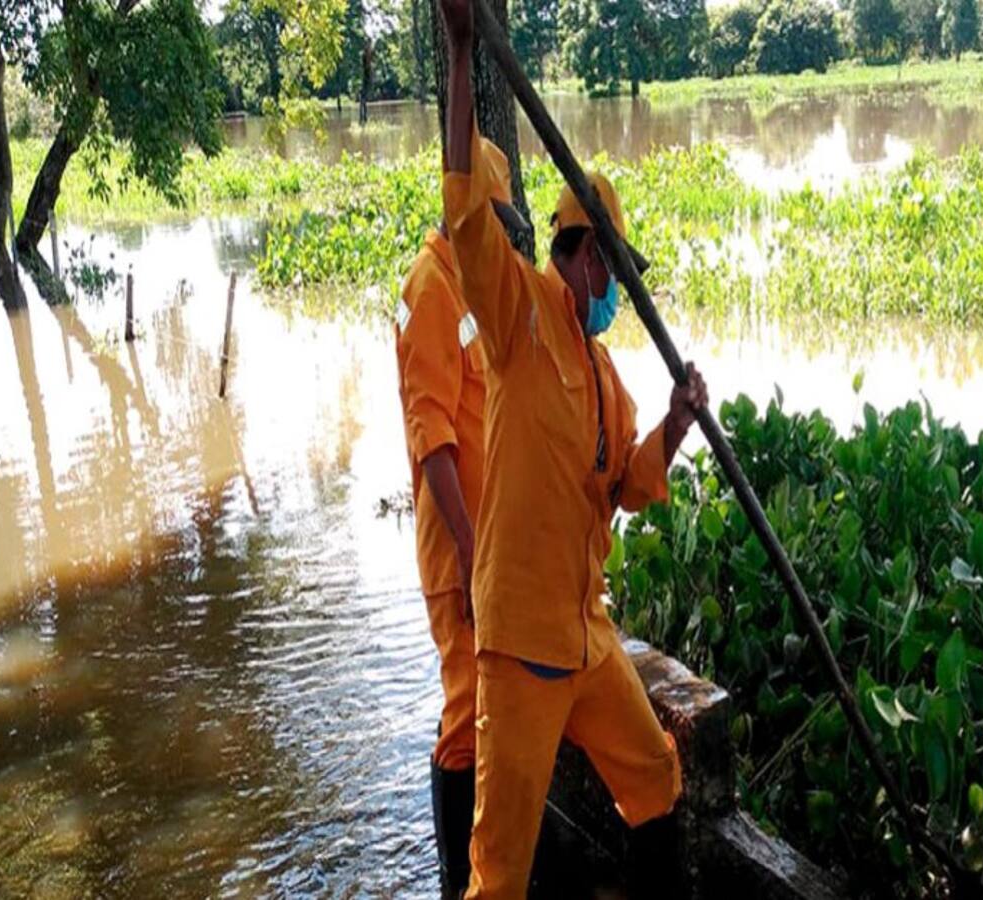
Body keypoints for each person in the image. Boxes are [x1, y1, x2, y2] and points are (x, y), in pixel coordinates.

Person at [436, 1, 710, 896]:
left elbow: (625, 483)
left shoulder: (605, 374)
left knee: (656, 776)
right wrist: (464, 51)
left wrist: (673, 422)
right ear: (584, 255)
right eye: (616, 271)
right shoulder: (517, 315)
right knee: (499, 871)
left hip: (585, 635)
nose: (618, 294)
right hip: (517, 648)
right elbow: (468, 213)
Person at [394, 138, 528, 899]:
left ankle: (485, 866)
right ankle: (453, 883)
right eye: (493, 216)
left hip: (488, 546)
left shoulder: (469, 285)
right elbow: (435, 444)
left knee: (491, 707)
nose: (502, 234)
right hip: (458, 552)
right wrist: (477, 558)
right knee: (463, 708)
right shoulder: (430, 291)